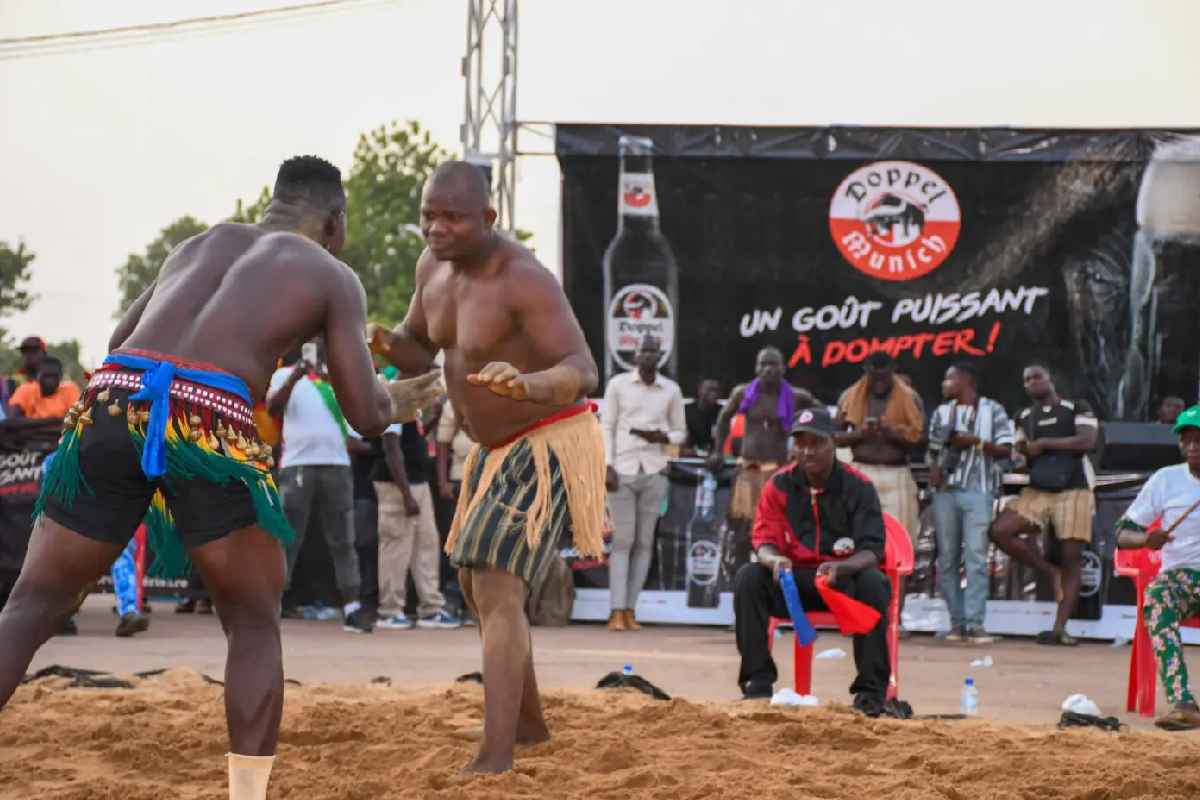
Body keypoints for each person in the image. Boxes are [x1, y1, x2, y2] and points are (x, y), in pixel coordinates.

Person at [0, 155, 438, 800]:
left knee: (30, 605)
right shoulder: (331, 275)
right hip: (208, 420)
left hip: (115, 400)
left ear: (273, 203)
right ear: (335, 223)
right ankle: (246, 796)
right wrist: (406, 398)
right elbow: (368, 414)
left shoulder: (198, 244)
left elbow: (122, 337)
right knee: (253, 620)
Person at [369, 161, 605, 774]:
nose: (435, 227)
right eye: (428, 215)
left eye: (452, 217)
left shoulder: (524, 279)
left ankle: (495, 756)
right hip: (491, 450)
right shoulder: (431, 268)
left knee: (496, 582)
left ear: (488, 219)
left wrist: (528, 384)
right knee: (477, 584)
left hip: (548, 436)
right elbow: (422, 343)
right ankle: (527, 726)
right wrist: (387, 345)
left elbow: (583, 368)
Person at [733, 407, 894, 716]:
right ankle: (757, 685)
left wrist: (842, 567)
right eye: (800, 443)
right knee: (749, 577)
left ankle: (871, 695)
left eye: (816, 443)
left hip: (841, 581)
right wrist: (774, 560)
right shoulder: (779, 485)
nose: (807, 451)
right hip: (795, 579)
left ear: (833, 443)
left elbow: (873, 550)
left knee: (875, 583)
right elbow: (763, 541)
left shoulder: (858, 486)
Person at [989, 364, 1098, 646]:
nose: (1032, 382)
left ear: (1050, 378)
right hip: (1039, 488)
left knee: (1071, 557)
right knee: (1000, 531)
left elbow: (1088, 440)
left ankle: (1060, 628)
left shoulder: (1076, 406)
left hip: (1075, 489)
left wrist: (1045, 443)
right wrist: (1019, 455)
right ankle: (1049, 571)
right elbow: (1022, 455)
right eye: (1027, 379)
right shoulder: (1023, 416)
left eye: (1037, 376)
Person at [267, 344, 372, 633]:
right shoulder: (283, 375)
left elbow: (350, 434)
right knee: (288, 538)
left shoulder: (337, 380)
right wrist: (297, 374)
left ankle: (352, 609)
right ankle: (271, 606)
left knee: (343, 539)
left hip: (337, 465)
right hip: (297, 465)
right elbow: (274, 408)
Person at [1116, 405, 1200, 730]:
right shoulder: (1165, 480)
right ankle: (1183, 703)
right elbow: (1122, 534)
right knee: (1158, 600)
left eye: (1199, 440)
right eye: (1187, 440)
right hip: (1180, 578)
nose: (1193, 447)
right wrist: (1146, 540)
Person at [926, 362, 1014, 644]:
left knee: (976, 558)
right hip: (945, 492)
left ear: (966, 380)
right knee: (947, 558)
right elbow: (933, 450)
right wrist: (936, 467)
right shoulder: (942, 412)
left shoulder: (993, 410)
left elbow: (1006, 449)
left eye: (948, 378)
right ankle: (956, 623)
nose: (944, 384)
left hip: (979, 490)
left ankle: (975, 624)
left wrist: (975, 442)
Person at [602, 334, 685, 631]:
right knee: (623, 541)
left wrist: (662, 437)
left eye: (653, 351)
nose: (649, 355)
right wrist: (607, 465)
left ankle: (630, 610)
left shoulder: (670, 390)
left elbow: (680, 432)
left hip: (655, 469)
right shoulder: (618, 385)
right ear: (635, 355)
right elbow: (607, 426)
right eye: (643, 351)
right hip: (622, 469)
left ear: (660, 356)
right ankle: (615, 611)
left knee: (644, 543)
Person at [712, 348, 816, 567]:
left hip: (778, 471)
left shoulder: (797, 396)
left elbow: (822, 417)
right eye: (764, 364)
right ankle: (739, 578)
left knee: (778, 528)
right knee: (742, 529)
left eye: (774, 364)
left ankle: (775, 574)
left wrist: (806, 447)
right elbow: (723, 419)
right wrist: (717, 451)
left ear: (783, 368)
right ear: (756, 368)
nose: (768, 369)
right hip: (748, 470)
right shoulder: (743, 393)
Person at [374, 418, 461, 630]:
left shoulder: (411, 408)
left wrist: (432, 420)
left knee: (427, 544)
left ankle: (430, 608)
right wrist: (406, 494)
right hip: (398, 486)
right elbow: (391, 448)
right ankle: (390, 611)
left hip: (417, 482)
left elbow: (412, 441)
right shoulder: (394, 402)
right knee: (396, 548)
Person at [834, 352, 924, 545]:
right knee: (855, 534)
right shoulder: (849, 397)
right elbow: (833, 437)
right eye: (875, 376)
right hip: (860, 471)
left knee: (900, 539)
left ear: (893, 371)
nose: (879, 382)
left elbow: (921, 440)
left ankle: (898, 576)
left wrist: (892, 432)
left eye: (884, 376)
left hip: (896, 473)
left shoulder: (910, 398)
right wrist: (860, 434)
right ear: (866, 372)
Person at [436, 397, 473, 617]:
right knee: (457, 544)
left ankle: (474, 604)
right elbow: (442, 444)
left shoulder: (499, 397)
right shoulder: (456, 401)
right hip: (460, 480)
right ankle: (453, 600)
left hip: (491, 481)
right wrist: (442, 482)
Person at [8, 356, 81, 420]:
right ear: (37, 376)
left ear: (61, 377)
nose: (50, 381)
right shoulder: (26, 389)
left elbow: (75, 422)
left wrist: (35, 422)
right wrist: (56, 422)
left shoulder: (70, 389)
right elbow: (12, 420)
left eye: (54, 376)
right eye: (46, 376)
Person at [683, 378, 721, 456]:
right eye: (710, 389)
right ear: (699, 390)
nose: (714, 393)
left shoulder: (723, 412)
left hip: (716, 458)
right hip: (689, 459)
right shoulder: (685, 411)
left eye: (717, 390)